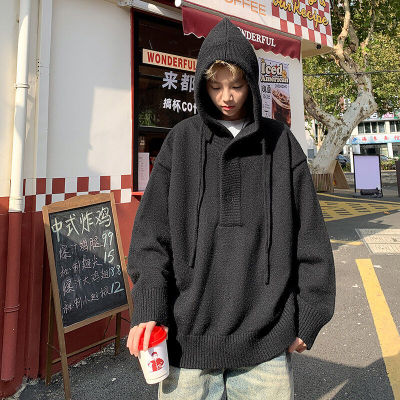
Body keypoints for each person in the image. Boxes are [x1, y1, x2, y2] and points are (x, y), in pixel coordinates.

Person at [127, 18, 335, 399]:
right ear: (202, 85)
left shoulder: (281, 145)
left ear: (251, 83)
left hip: (266, 344)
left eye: (237, 85)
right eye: (215, 86)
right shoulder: (181, 143)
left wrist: (311, 315)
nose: (226, 96)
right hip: (187, 342)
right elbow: (150, 239)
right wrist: (149, 308)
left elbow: (311, 238)